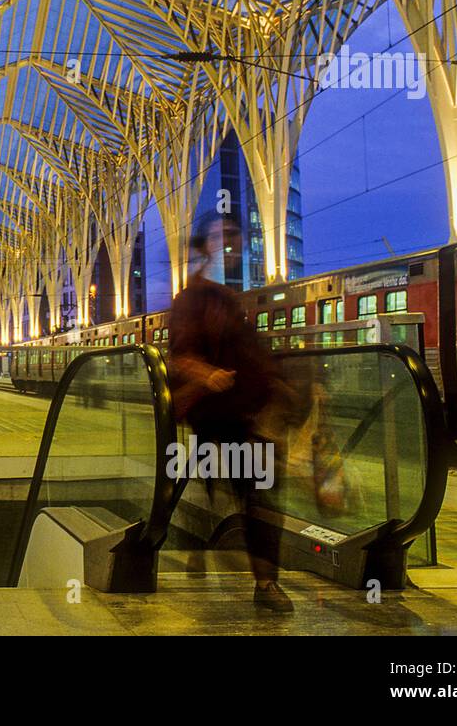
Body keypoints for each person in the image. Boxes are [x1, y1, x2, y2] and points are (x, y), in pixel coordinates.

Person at [168, 213, 293, 613]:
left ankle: (248, 571)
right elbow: (179, 355)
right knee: (253, 488)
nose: (233, 245)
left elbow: (253, 354)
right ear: (205, 247)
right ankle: (262, 580)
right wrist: (209, 375)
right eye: (225, 238)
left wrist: (282, 386)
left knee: (244, 488)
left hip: (244, 414)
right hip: (215, 414)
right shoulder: (191, 299)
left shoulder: (228, 299)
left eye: (236, 237)